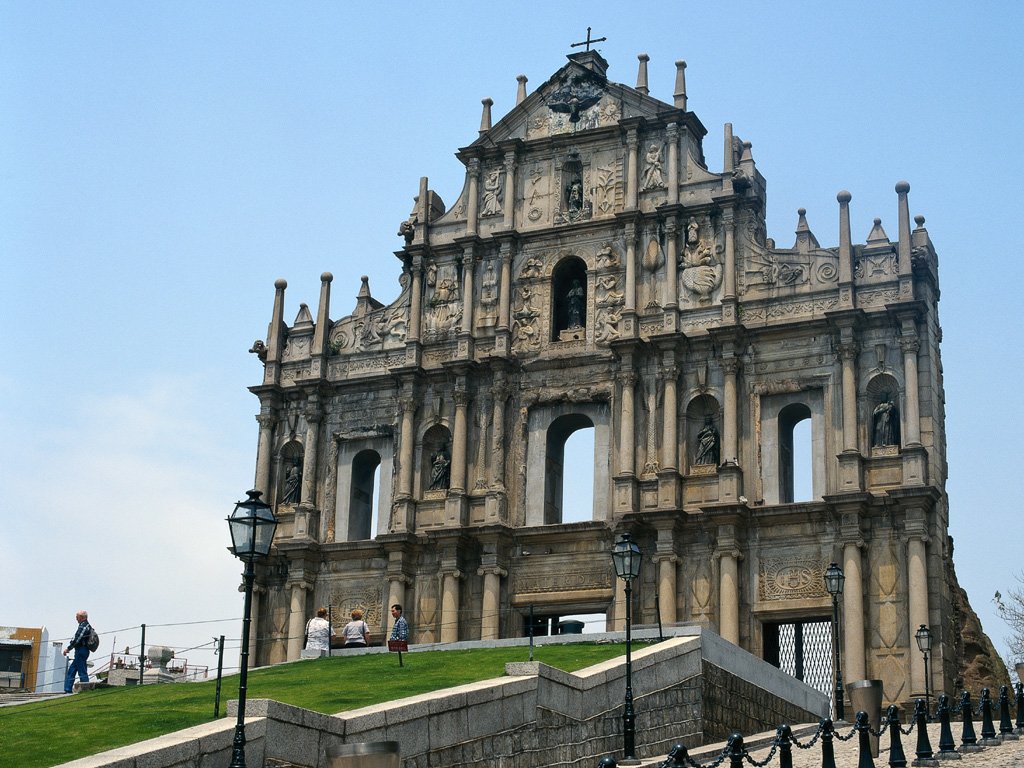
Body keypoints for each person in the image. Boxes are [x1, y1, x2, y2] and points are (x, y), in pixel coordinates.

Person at [63, 610, 92, 693]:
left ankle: (85, 688)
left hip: (81, 650)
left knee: (81, 670)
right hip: (81, 650)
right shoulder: (85, 625)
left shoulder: (84, 626)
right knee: (72, 670)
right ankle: (68, 689)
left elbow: (77, 639)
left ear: (82, 617)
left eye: (77, 617)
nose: (76, 618)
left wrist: (68, 648)